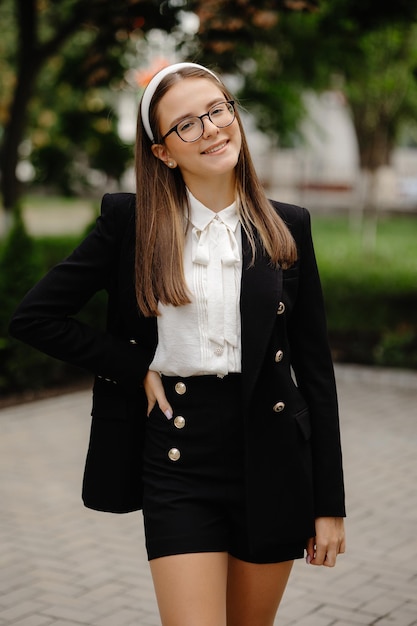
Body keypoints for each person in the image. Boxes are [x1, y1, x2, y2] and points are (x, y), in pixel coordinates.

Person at [9, 62, 346, 626]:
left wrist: (329, 505)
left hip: (274, 451)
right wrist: (135, 364)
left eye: (217, 110)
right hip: (179, 453)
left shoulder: (289, 225)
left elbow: (316, 370)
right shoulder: (131, 222)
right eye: (186, 124)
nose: (210, 128)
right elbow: (36, 316)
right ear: (162, 151)